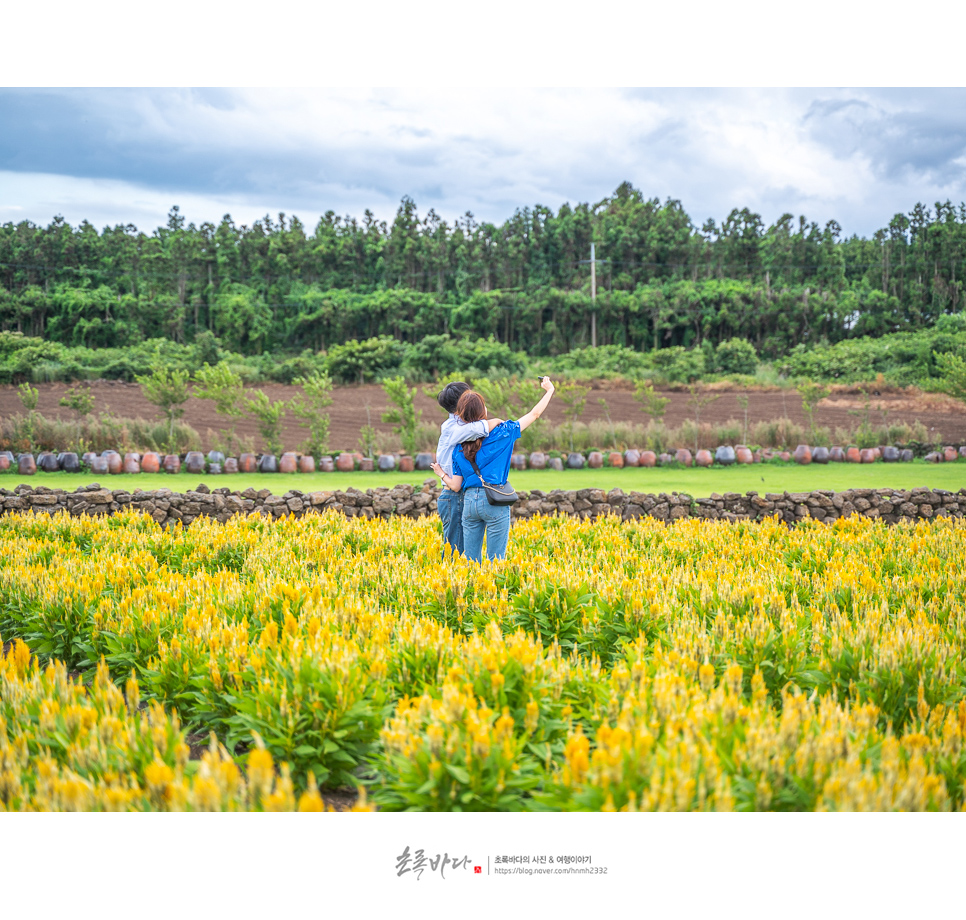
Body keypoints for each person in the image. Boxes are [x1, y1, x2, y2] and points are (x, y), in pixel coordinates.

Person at [431, 377, 555, 562]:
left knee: (469, 561)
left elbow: (456, 483)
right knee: (496, 560)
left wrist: (440, 473)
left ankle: (470, 588)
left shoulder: (458, 446)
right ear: (483, 411)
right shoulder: (503, 432)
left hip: (469, 501)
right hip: (493, 499)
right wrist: (549, 391)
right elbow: (534, 414)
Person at [433, 381, 504, 557]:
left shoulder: (458, 426)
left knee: (461, 552)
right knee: (455, 554)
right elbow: (480, 427)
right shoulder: (455, 428)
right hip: (454, 496)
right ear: (460, 405)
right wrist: (496, 421)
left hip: (456, 495)